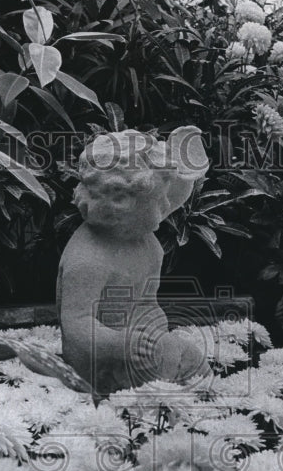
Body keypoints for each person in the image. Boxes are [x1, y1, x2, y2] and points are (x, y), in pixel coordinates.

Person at [57, 127, 213, 396]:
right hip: (101, 363)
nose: (168, 203)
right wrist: (124, 343)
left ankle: (201, 403)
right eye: (159, 199)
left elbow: (145, 302)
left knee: (191, 358)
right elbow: (76, 329)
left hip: (142, 344)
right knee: (161, 372)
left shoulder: (147, 244)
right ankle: (155, 412)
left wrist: (154, 333)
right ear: (121, 204)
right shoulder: (88, 259)